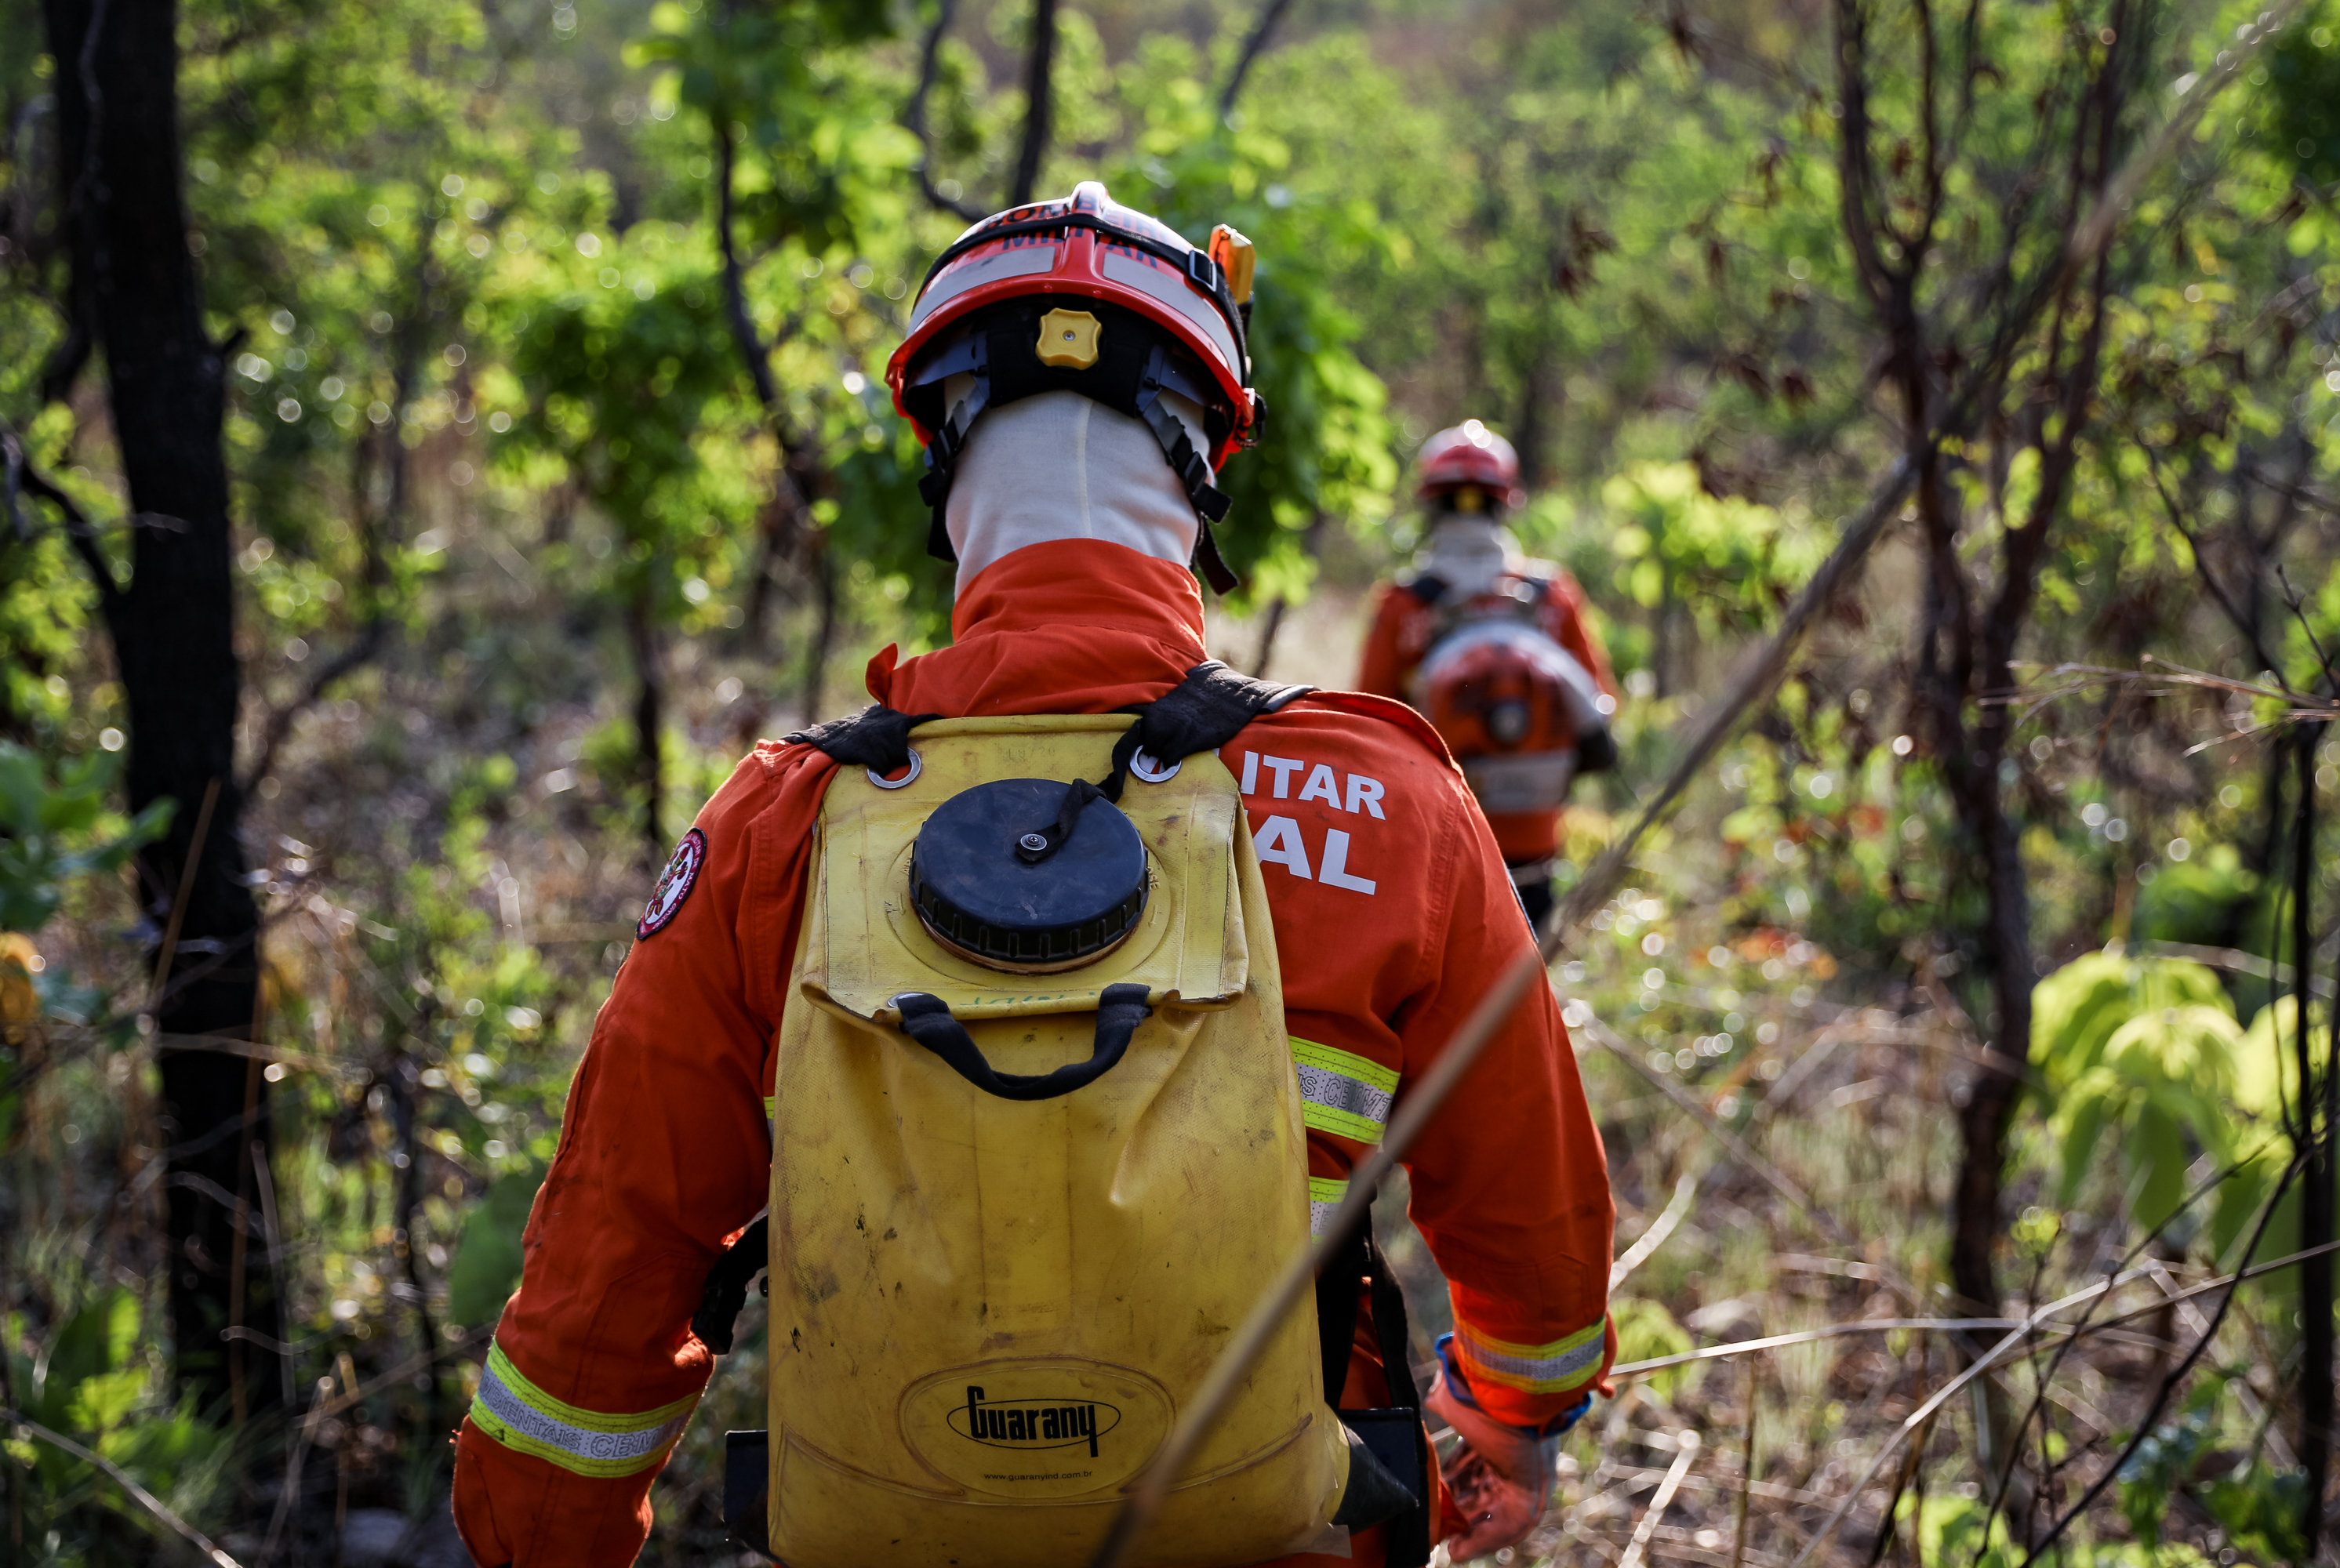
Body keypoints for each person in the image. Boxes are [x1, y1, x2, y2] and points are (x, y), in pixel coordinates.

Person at [450, 183, 1614, 1568]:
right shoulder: (1385, 800)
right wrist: (1506, 1432)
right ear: (1203, 461)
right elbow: (1535, 1243)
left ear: (942, 462)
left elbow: (602, 1278)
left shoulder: (780, 825)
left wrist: (540, 1534)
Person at [1356, 423, 1618, 930]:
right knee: (1526, 988)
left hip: (1441, 842)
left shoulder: (1403, 604)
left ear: (1430, 503)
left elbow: (1371, 725)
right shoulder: (1552, 595)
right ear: (1508, 501)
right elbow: (1601, 707)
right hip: (1536, 847)